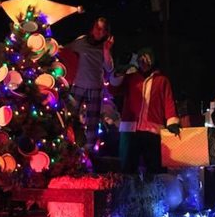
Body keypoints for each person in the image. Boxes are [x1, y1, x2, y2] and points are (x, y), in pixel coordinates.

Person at [110, 47, 180, 175]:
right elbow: (113, 89)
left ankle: (154, 193)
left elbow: (168, 102)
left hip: (152, 131)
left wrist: (172, 122)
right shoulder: (130, 78)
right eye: (142, 59)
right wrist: (120, 72)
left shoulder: (162, 80)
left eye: (148, 59)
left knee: (155, 168)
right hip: (130, 130)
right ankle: (129, 193)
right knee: (127, 168)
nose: (145, 62)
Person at [62, 17, 115, 151]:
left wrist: (107, 50)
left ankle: (90, 151)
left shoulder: (104, 46)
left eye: (103, 30)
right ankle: (66, 145)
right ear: (93, 28)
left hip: (95, 88)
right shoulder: (81, 42)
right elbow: (65, 50)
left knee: (92, 122)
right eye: (98, 28)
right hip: (78, 85)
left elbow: (109, 67)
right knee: (68, 116)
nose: (100, 32)